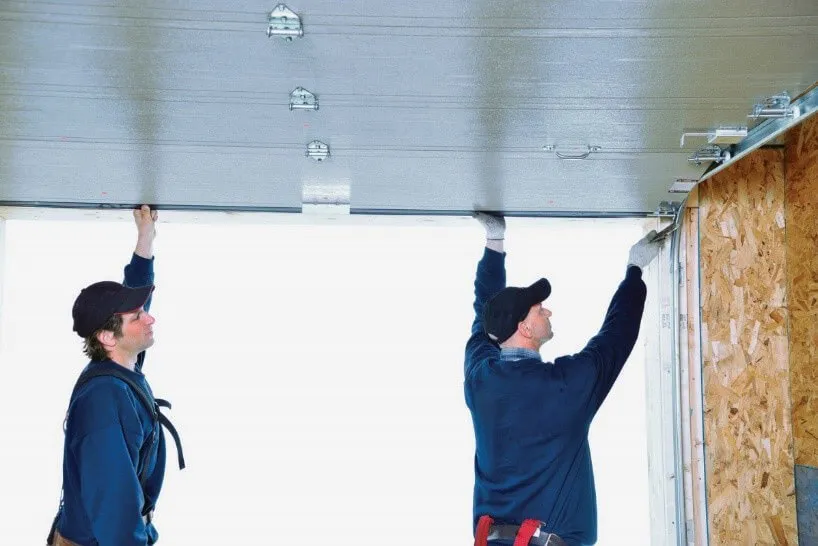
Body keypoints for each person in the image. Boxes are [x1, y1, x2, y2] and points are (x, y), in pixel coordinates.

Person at [465, 212, 661, 546]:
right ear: (525, 329)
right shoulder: (564, 387)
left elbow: (485, 311)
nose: (547, 311)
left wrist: (494, 242)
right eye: (539, 309)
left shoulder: (481, 376)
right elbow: (616, 336)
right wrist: (634, 270)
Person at [48, 205, 184, 546]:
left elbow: (138, 294)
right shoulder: (105, 398)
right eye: (137, 316)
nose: (149, 319)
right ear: (107, 337)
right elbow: (113, 499)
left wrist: (145, 240)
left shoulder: (118, 370)